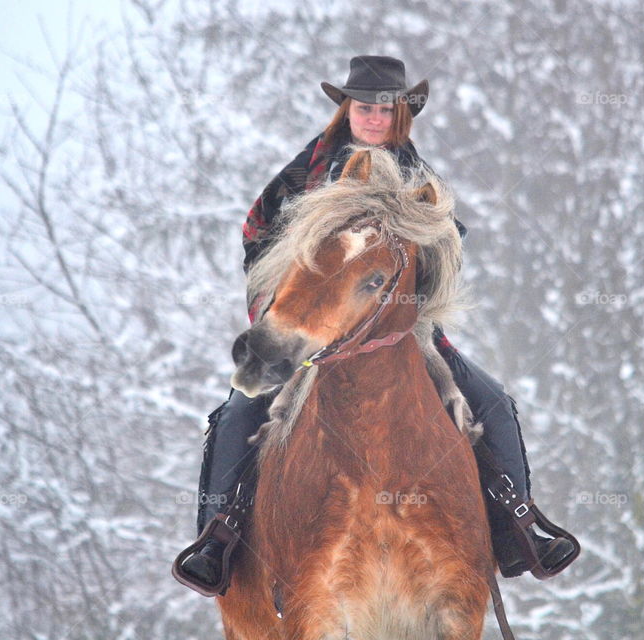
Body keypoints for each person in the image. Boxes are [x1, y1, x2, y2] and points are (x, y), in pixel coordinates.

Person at [173, 56, 577, 595]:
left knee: (494, 401)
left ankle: (520, 530)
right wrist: (279, 307)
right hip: (311, 329)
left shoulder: (423, 182)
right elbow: (256, 232)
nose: (373, 118)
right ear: (346, 108)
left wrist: (421, 298)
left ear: (402, 114)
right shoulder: (307, 172)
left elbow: (449, 252)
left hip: (401, 331)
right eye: (363, 107)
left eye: (385, 110)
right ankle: (217, 541)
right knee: (238, 412)